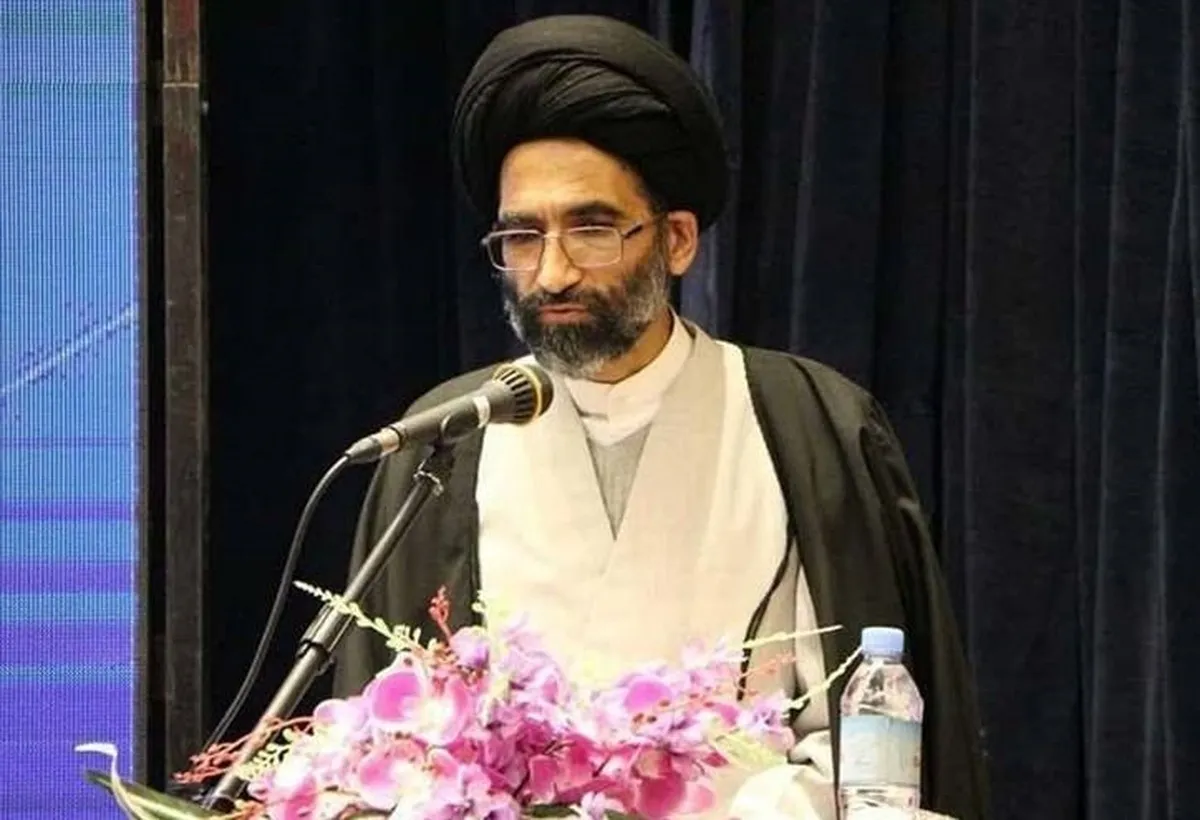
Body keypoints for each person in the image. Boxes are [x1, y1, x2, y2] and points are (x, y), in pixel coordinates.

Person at [332, 14, 989, 820]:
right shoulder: (448, 440)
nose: (553, 273)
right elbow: (390, 754)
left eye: (592, 229)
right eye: (523, 236)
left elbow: (864, 753)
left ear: (676, 240)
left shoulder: (808, 425)